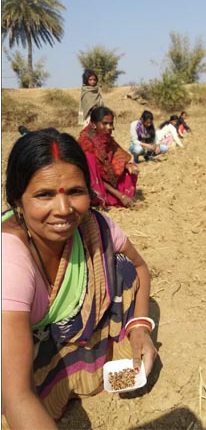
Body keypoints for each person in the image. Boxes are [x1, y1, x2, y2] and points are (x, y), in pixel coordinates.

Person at [2, 128, 158, 429]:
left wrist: (140, 327)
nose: (64, 210)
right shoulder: (9, 258)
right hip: (15, 358)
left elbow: (140, 268)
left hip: (64, 343)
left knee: (121, 267)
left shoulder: (93, 227)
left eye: (75, 191)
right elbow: (16, 394)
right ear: (17, 201)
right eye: (44, 195)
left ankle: (90, 370)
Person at [78, 106, 138, 208]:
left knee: (131, 167)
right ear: (93, 124)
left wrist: (126, 165)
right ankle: (106, 198)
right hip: (93, 184)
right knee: (89, 160)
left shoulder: (107, 139)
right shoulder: (85, 142)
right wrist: (120, 196)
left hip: (109, 182)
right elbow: (94, 176)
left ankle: (116, 196)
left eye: (111, 124)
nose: (109, 127)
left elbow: (117, 155)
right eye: (105, 123)